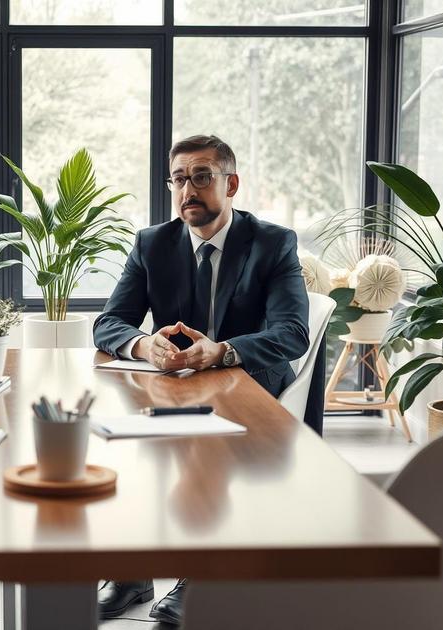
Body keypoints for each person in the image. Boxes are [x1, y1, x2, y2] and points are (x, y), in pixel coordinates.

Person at [92, 134, 310, 625]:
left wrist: (223, 350)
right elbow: (109, 323)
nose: (188, 190)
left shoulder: (272, 243)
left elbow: (292, 333)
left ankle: (198, 574)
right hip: (175, 387)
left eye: (202, 177)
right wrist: (145, 345)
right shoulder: (152, 243)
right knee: (114, 434)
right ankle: (131, 571)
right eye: (179, 179)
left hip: (249, 386)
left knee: (202, 439)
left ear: (231, 184)